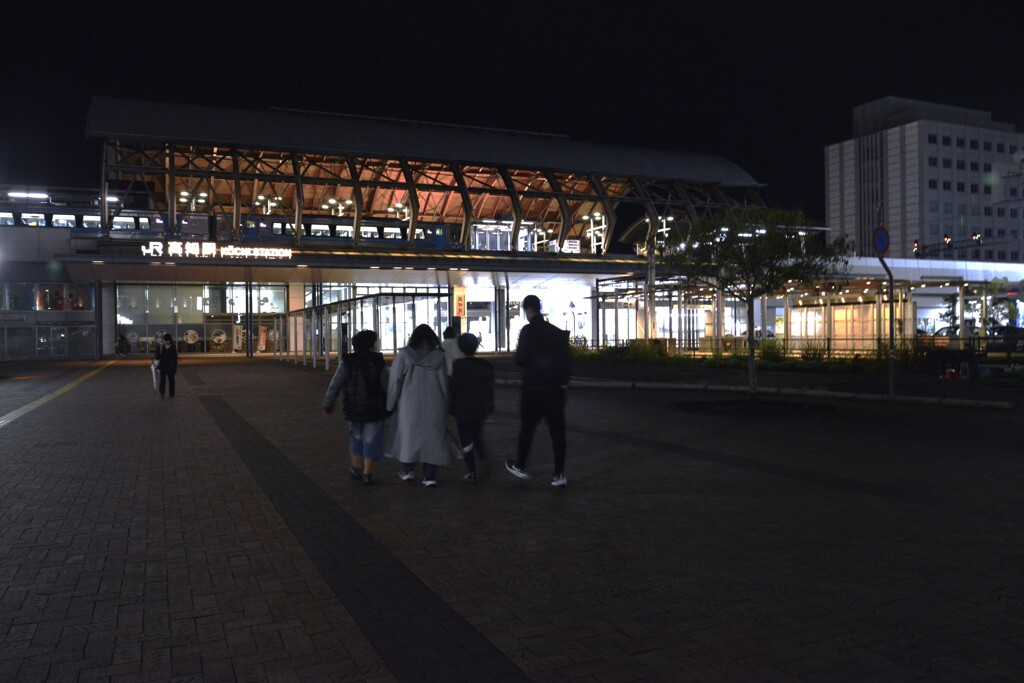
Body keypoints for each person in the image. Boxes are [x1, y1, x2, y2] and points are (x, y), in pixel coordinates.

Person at [506, 295, 572, 487]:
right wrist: (563, 384)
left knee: (527, 429)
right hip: (554, 391)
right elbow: (567, 363)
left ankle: (521, 465)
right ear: (539, 308)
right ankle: (559, 473)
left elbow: (519, 359)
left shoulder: (527, 331)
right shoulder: (557, 333)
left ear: (527, 310)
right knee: (557, 433)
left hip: (533, 390)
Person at [386, 324, 452, 486]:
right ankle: (430, 476)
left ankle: (408, 470)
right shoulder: (440, 357)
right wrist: (446, 404)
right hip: (435, 402)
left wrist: (390, 404)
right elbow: (445, 382)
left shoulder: (403, 355)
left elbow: (394, 381)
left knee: (409, 436)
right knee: (433, 437)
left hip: (409, 403)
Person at [323, 329, 389, 485]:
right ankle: (367, 474)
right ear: (371, 344)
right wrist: (392, 404)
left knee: (356, 437)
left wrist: (328, 404)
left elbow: (335, 385)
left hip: (353, 408)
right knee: (371, 440)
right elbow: (386, 385)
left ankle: (355, 468)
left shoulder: (347, 361)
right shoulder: (378, 362)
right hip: (374, 409)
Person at [449, 333, 495, 482]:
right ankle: (482, 455)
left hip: (462, 408)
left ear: (460, 348)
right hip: (480, 407)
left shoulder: (458, 365)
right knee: (477, 432)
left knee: (465, 439)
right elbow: (489, 389)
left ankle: (471, 470)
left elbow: (453, 387)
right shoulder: (486, 365)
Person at [154, 333, 178, 398]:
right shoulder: (161, 347)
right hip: (163, 366)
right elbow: (157, 356)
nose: (166, 342)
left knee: (171, 381)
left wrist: (173, 366)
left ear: (170, 340)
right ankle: (162, 393)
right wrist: (156, 355)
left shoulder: (173, 347)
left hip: (171, 367)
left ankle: (171, 394)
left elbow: (175, 358)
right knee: (162, 380)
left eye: (167, 340)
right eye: (165, 340)